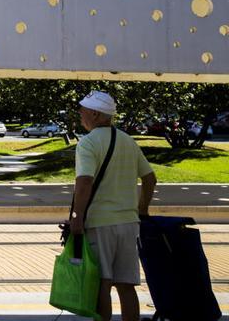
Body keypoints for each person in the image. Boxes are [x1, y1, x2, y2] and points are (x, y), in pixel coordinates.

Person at [69, 91, 157, 321]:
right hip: (129, 224)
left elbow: (85, 181)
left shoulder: (88, 143)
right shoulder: (128, 140)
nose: (80, 114)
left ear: (96, 114)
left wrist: (77, 216)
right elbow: (149, 178)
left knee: (102, 285)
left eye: (83, 110)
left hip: (100, 224)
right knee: (127, 286)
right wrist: (142, 209)